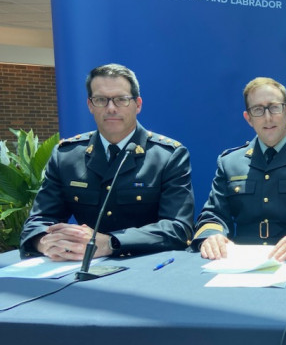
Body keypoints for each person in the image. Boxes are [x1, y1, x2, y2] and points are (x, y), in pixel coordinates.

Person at [20, 63, 195, 260]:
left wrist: (109, 243)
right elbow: (38, 221)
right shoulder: (67, 155)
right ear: (90, 105)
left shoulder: (167, 155)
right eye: (101, 100)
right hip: (79, 268)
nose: (111, 108)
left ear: (137, 105)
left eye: (121, 99)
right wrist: (47, 243)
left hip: (148, 268)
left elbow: (178, 228)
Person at [193, 77, 286, 261]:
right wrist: (212, 236)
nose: (268, 118)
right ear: (248, 118)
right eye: (258, 110)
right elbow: (213, 214)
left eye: (274, 107)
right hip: (241, 263)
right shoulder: (230, 162)